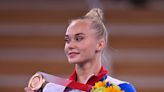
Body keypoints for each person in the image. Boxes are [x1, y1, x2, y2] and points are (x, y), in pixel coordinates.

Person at [25, 8, 136, 92]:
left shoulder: (121, 88)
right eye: (67, 40)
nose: (70, 45)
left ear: (100, 44)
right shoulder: (51, 89)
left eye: (79, 39)